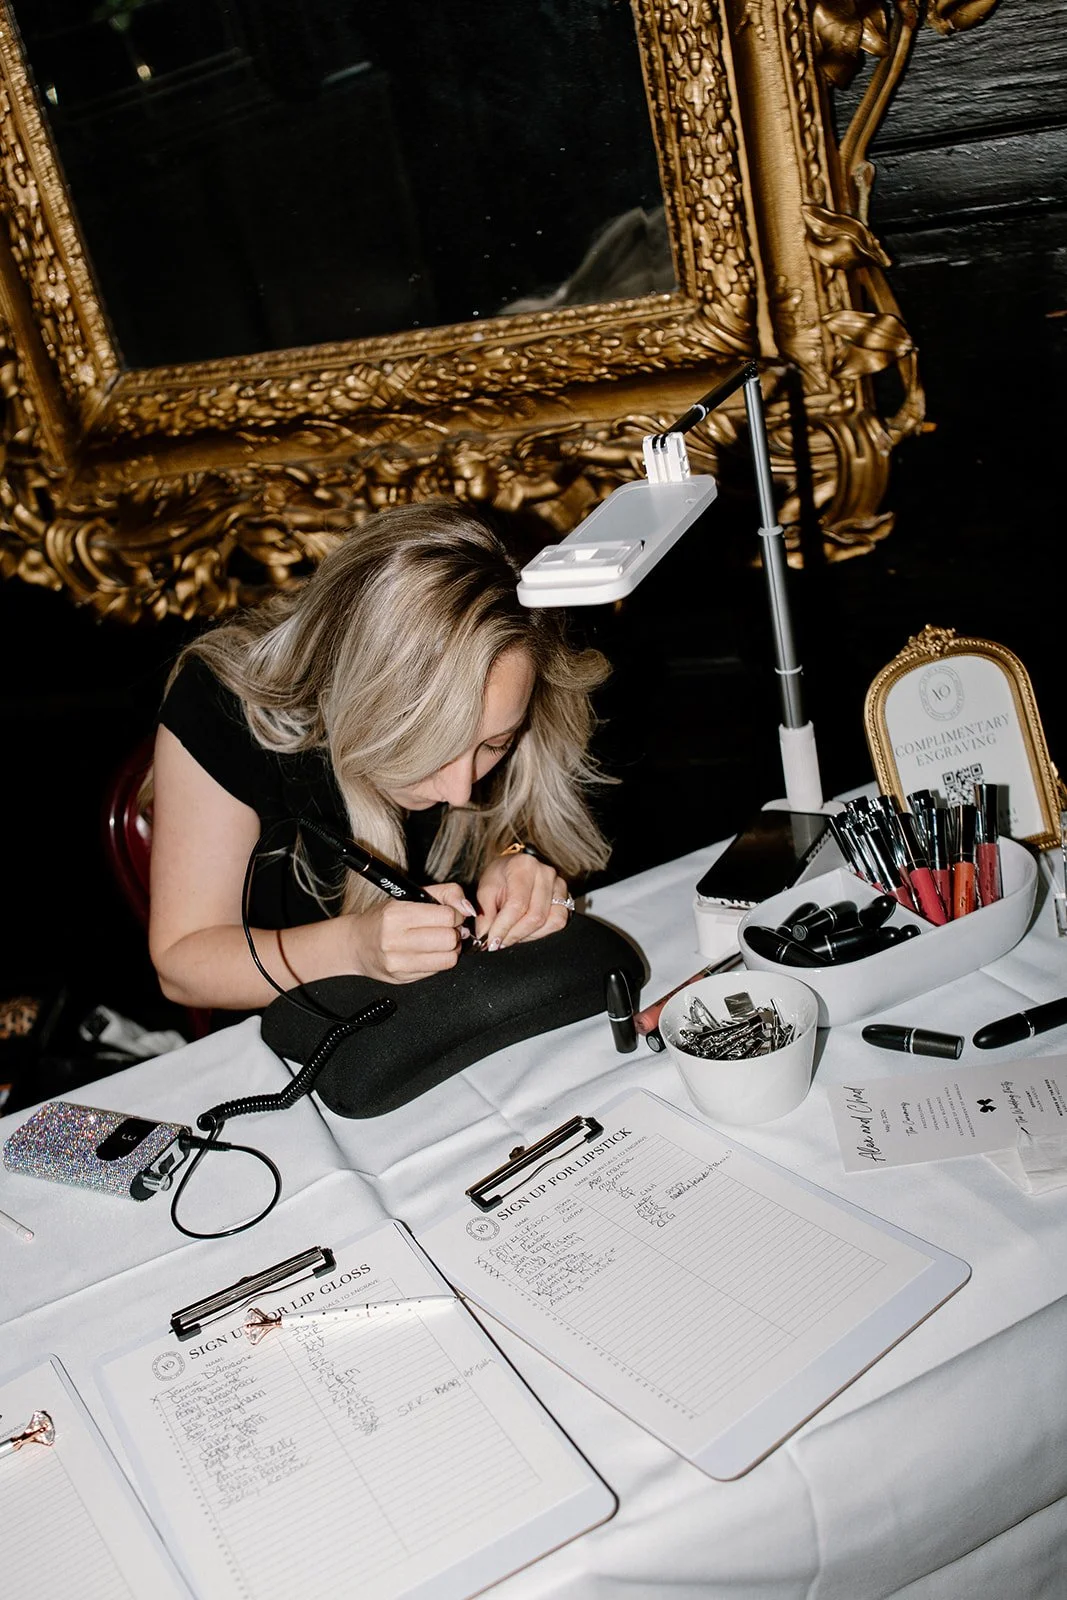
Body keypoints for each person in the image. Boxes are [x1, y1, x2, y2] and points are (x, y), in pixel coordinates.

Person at [148, 501, 612, 1011]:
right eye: (433, 747)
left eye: (495, 745)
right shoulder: (223, 705)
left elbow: (539, 837)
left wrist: (518, 860)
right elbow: (181, 965)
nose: (461, 791)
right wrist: (353, 948)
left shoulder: (520, 683)